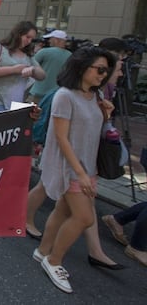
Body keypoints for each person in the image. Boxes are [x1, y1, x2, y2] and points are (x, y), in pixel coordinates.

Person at [34, 46, 116, 294]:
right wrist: (79, 173)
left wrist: (107, 116)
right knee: (84, 217)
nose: (104, 75)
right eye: (100, 69)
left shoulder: (95, 95)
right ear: (83, 66)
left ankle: (43, 251)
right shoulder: (65, 96)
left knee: (62, 210)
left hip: (86, 166)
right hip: (69, 167)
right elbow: (61, 138)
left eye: (107, 70)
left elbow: (93, 132)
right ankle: (54, 260)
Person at [0, 20, 45, 112]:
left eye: (32, 39)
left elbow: (42, 75)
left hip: (17, 105)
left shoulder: (28, 56)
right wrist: (13, 70)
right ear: (18, 34)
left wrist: (33, 69)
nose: (29, 41)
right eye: (27, 37)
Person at [28, 30, 71, 104]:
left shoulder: (44, 52)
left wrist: (35, 51)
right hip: (57, 95)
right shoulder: (70, 55)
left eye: (51, 39)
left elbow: (29, 64)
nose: (49, 41)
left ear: (56, 40)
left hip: (39, 93)